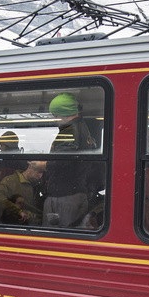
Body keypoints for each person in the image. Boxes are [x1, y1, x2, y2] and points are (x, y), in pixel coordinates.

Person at [42, 93, 104, 229]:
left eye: (55, 114)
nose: (54, 118)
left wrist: (42, 164)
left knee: (57, 235)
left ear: (64, 114)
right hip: (75, 192)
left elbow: (62, 161)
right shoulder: (83, 128)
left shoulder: (69, 131)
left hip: (65, 195)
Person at [0, 161, 46, 225]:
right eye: (39, 172)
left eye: (43, 173)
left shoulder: (37, 185)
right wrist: (17, 210)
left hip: (39, 221)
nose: (40, 176)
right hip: (21, 224)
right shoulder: (11, 181)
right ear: (30, 167)